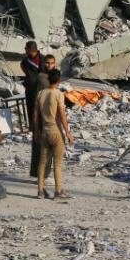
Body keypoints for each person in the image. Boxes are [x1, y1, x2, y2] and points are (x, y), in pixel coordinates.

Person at [32, 69, 74, 199]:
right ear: (59, 80)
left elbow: (35, 115)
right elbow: (61, 114)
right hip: (56, 132)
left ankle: (40, 190)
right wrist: (67, 132)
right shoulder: (58, 94)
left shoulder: (40, 93)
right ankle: (58, 191)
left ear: (48, 79)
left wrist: (36, 131)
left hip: (44, 132)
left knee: (42, 163)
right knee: (57, 164)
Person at [28, 52, 57, 178]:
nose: (49, 65)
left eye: (52, 63)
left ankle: (43, 174)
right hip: (41, 117)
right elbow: (36, 101)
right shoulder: (41, 78)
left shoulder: (54, 76)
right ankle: (40, 175)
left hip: (51, 116)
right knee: (40, 146)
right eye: (47, 63)